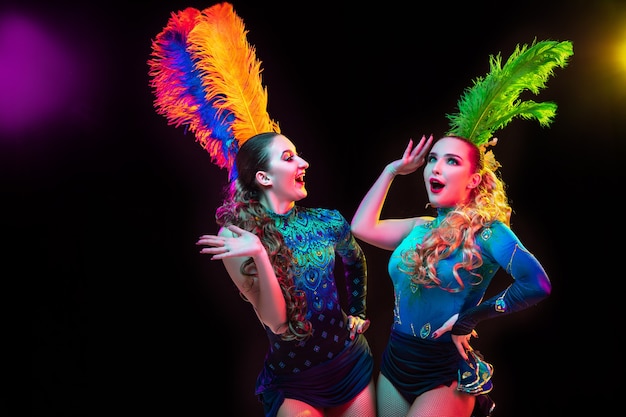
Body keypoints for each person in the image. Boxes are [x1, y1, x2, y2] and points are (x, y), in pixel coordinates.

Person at [350, 133, 552, 417]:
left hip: (445, 372)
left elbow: (537, 283)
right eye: (432, 159)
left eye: (451, 161)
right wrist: (391, 171)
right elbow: (361, 227)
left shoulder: (488, 233)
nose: (435, 167)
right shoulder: (419, 227)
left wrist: (468, 319)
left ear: (473, 180)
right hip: (396, 363)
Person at [196, 132, 376, 417]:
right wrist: (258, 253)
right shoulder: (238, 237)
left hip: (350, 363)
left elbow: (355, 260)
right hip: (295, 381)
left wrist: (358, 310)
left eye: (298, 154)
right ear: (264, 178)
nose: (304, 163)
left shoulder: (327, 220)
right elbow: (278, 322)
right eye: (289, 157)